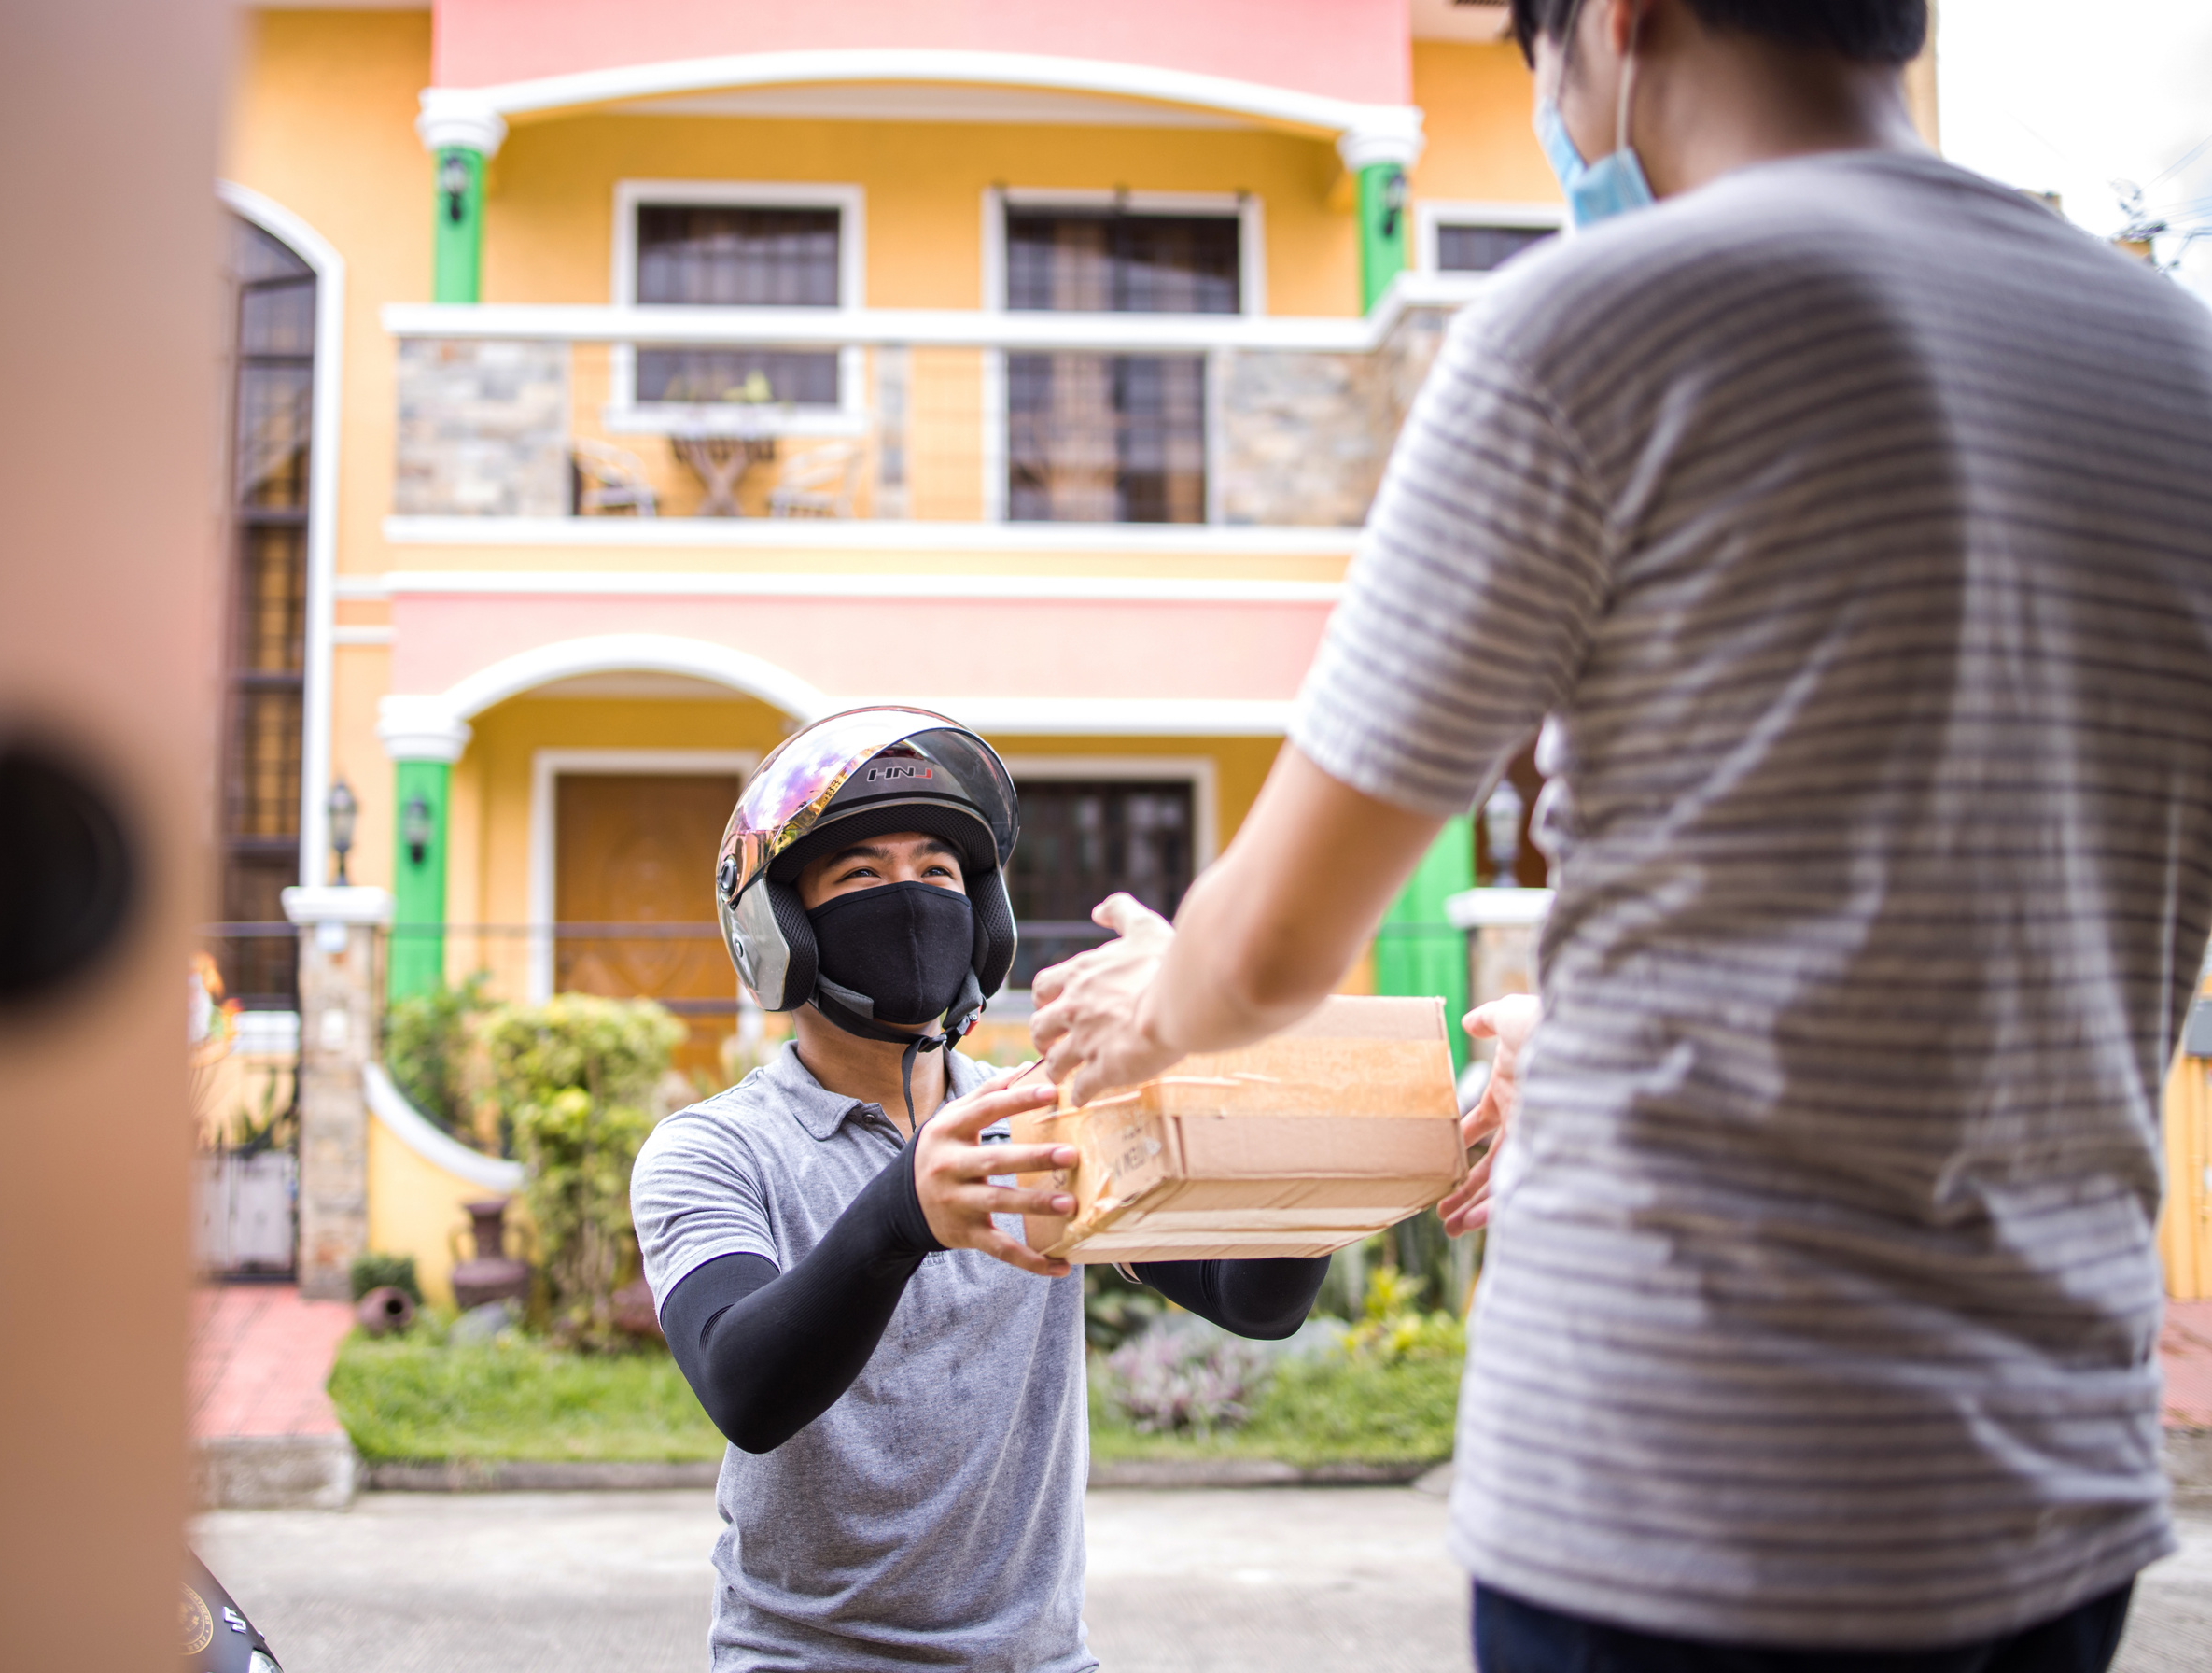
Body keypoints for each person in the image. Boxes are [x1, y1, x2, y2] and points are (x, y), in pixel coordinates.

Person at [1028, 0, 2212, 1666]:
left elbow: (1278, 936)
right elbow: (2001, 926)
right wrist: (1584, 1031)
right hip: (2042, 1475)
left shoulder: (1594, 325)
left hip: (1683, 1479)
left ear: (1609, 25)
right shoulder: (2169, 358)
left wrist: (1140, 1005)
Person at [629, 707, 1328, 1672]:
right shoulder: (714, 1149)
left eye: (940, 871)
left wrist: (1309, 1130)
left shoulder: (1043, 1116)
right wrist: (902, 1215)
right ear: (781, 928)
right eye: (863, 875)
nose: (911, 897)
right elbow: (747, 1388)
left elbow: (1256, 1299)